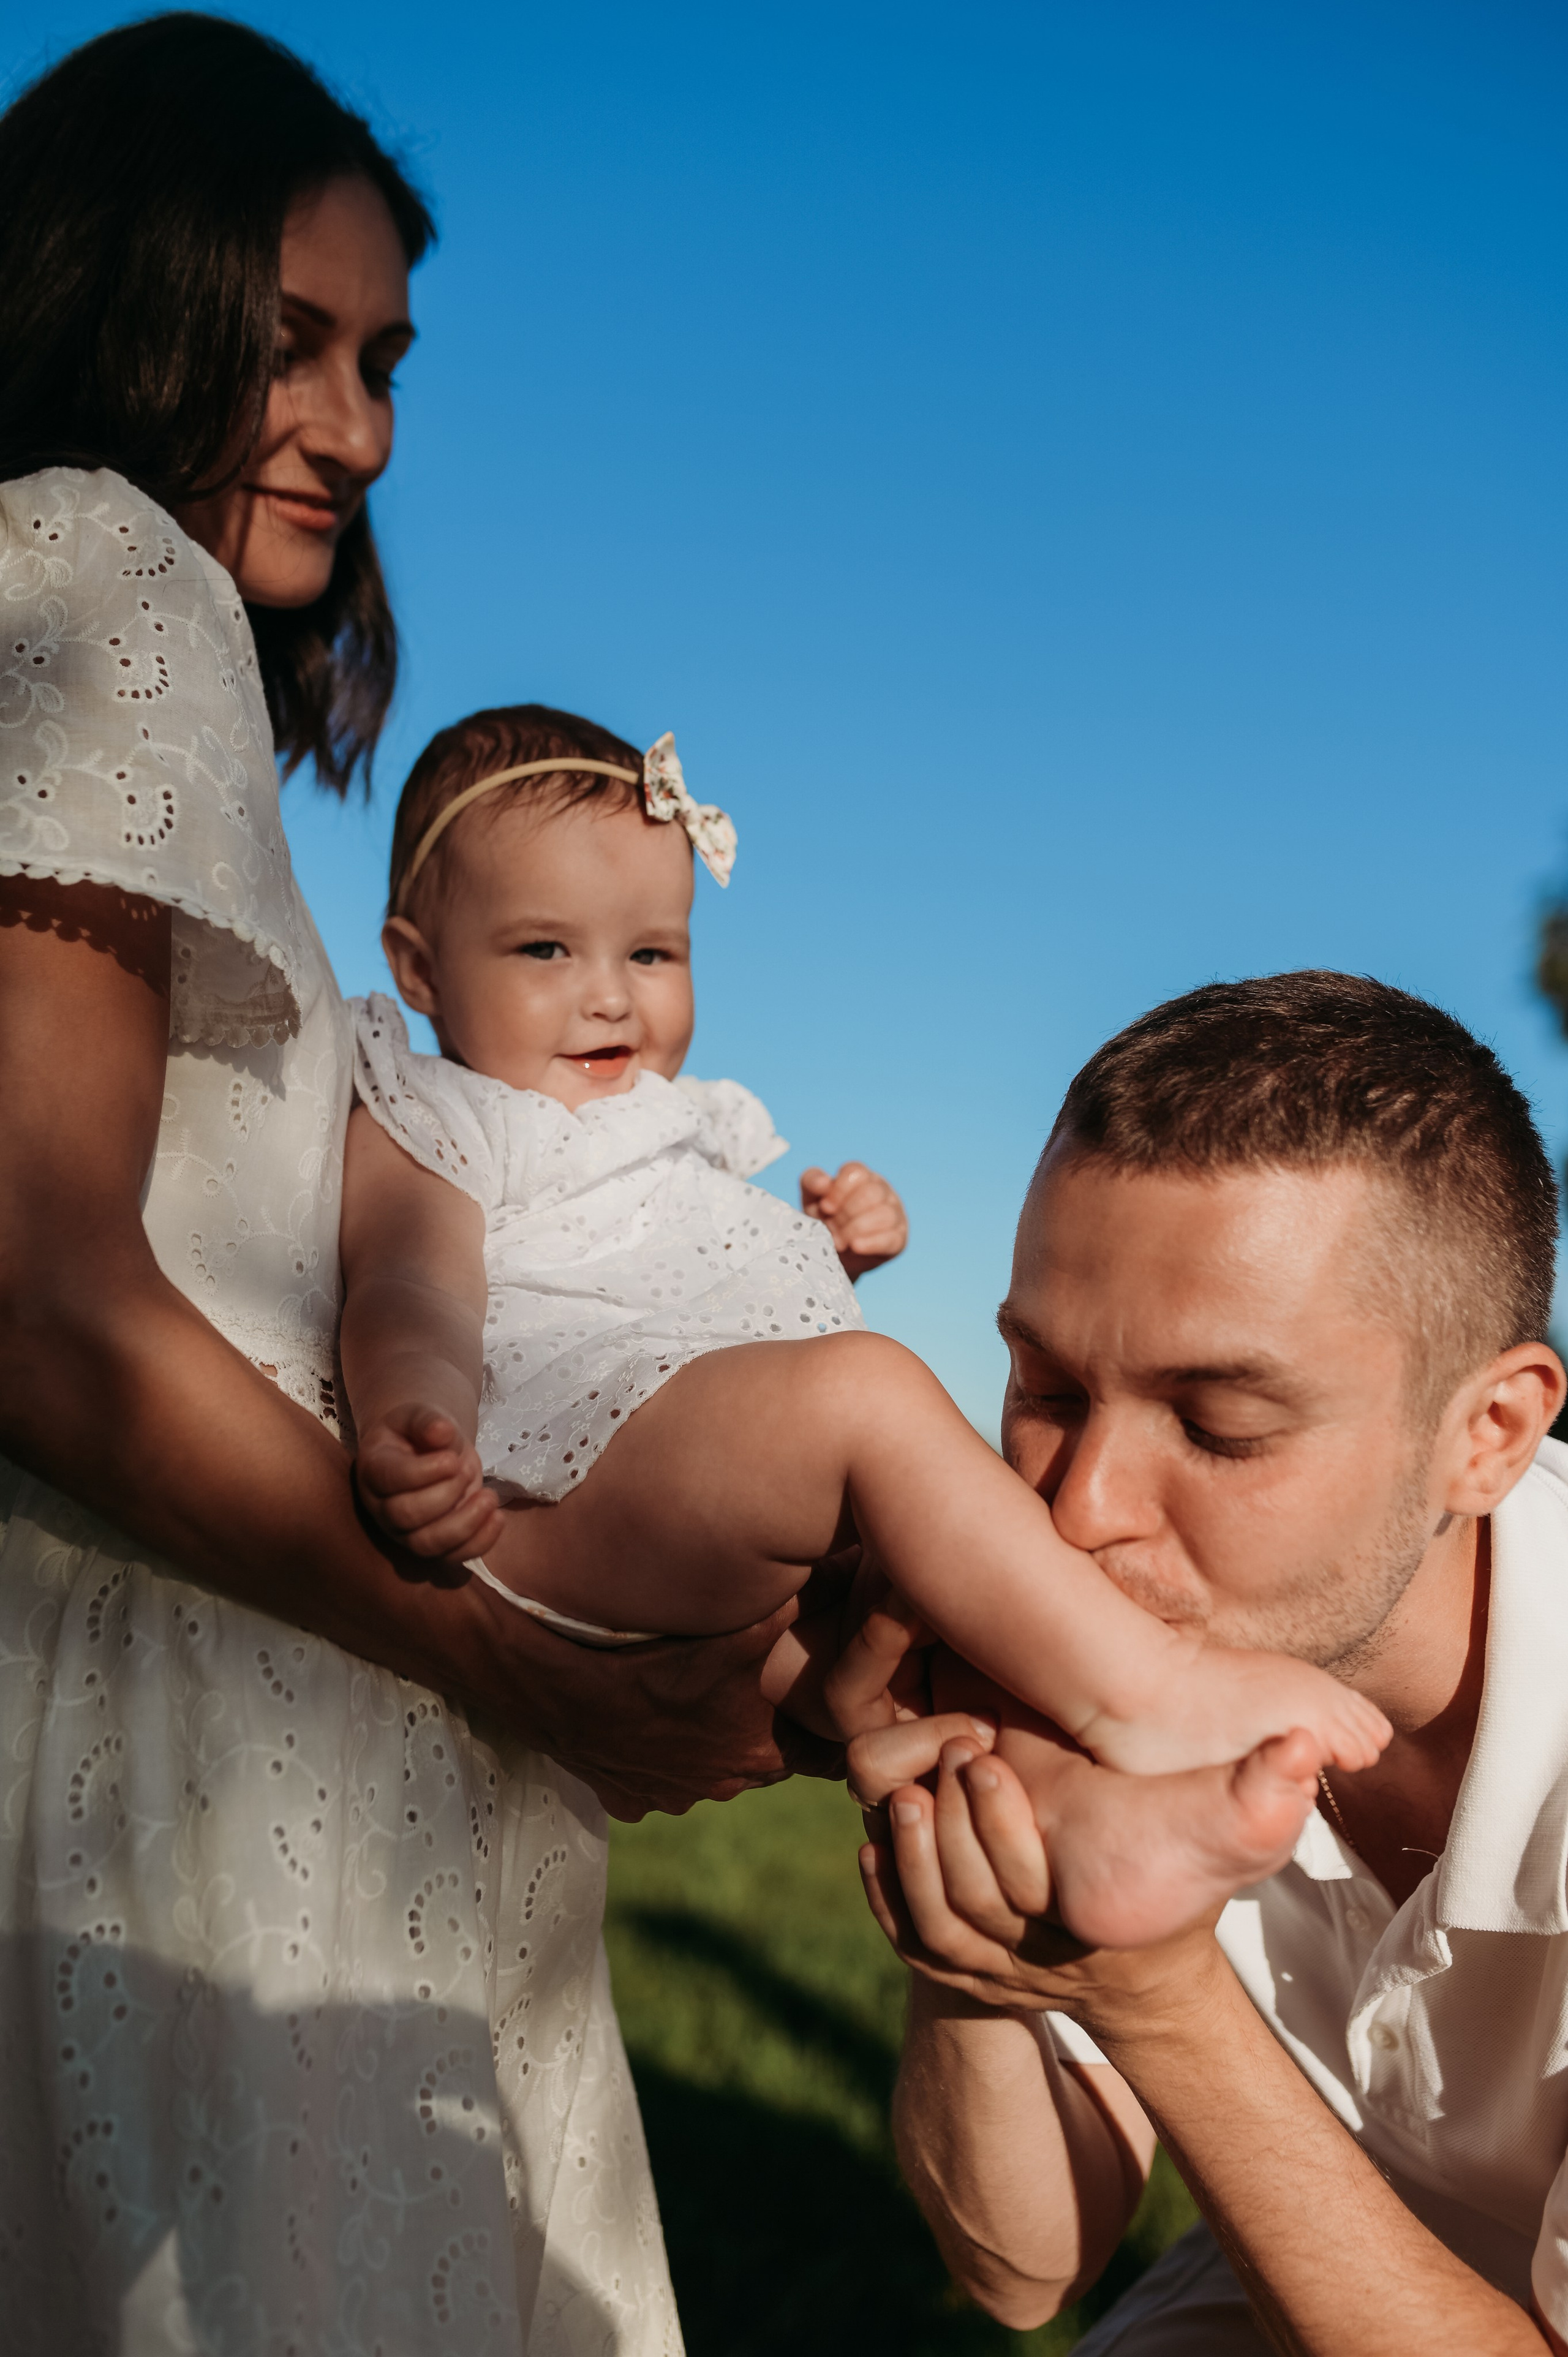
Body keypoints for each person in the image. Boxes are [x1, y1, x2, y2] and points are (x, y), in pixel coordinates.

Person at [0, 18, 829, 2349]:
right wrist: (517, 1653)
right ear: (105, 286)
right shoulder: (90, 574)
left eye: (383, 361)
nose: (359, 428)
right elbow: (46, 1302)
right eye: (287, 347)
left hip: (270, 1701)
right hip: (195, 1769)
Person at [338, 712, 1388, 1951]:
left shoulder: (685, 1126)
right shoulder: (445, 1114)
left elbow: (669, 1315)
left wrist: (820, 1255)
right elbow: (413, 1284)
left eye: (653, 952)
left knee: (938, 1639)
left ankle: (1088, 1827)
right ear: (418, 967)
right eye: (544, 947)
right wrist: (418, 1413)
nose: (609, 994)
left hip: (685, 1511)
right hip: (547, 1497)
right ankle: (1152, 1690)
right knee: (870, 1400)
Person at [848, 971, 1568, 2353]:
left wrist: (1159, 2003)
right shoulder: (1138, 1658)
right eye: (1046, 1392)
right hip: (1313, 2257)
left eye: (1220, 1422)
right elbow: (1020, 2270)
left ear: (1486, 1433)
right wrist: (976, 1918)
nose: (1075, 1511)